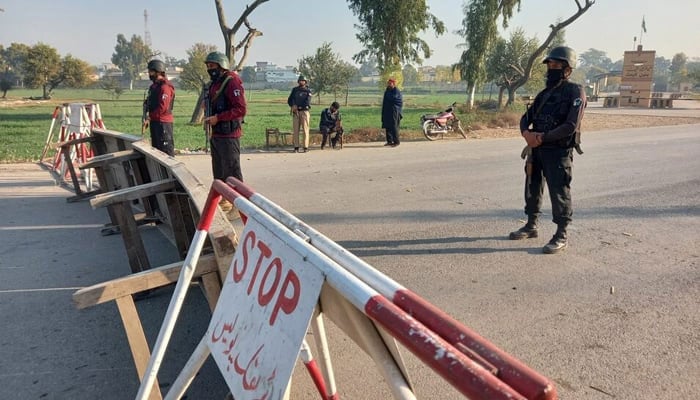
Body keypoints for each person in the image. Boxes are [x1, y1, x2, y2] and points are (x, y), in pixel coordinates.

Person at [509, 46, 586, 254]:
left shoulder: (575, 92)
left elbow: (570, 125)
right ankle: (531, 224)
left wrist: (543, 137)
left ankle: (561, 233)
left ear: (567, 69)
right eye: (550, 65)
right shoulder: (544, 94)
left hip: (558, 152)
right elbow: (526, 117)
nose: (551, 69)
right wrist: (527, 134)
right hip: (537, 151)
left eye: (556, 65)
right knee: (532, 187)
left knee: (559, 191)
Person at [203, 52, 247, 220]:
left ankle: (239, 204)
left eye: (212, 66)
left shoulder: (232, 81)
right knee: (219, 170)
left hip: (229, 134)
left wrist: (218, 118)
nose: (210, 69)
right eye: (208, 67)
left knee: (232, 171)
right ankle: (225, 201)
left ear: (221, 66)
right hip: (217, 133)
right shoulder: (215, 83)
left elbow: (240, 109)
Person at [143, 59, 175, 156]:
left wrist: (150, 117)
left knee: (165, 151)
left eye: (151, 72)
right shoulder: (154, 87)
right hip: (155, 122)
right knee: (157, 150)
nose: (149, 74)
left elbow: (163, 107)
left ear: (158, 71)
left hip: (163, 123)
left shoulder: (165, 87)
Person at [287, 75, 313, 153]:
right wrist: (293, 106)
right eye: (300, 81)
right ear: (298, 82)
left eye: (303, 81)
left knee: (305, 130)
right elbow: (290, 100)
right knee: (296, 130)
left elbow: (307, 102)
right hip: (296, 112)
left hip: (304, 111)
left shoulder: (308, 91)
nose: (302, 82)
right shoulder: (295, 90)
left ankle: (305, 147)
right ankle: (296, 147)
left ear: (305, 82)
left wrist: (299, 106)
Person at [381, 78, 403, 147]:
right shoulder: (387, 91)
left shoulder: (396, 91)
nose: (389, 84)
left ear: (393, 84)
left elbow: (395, 99)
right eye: (388, 83)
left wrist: (388, 96)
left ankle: (396, 142)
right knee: (387, 126)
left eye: (390, 83)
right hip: (387, 111)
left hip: (394, 111)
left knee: (394, 126)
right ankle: (389, 141)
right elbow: (385, 101)